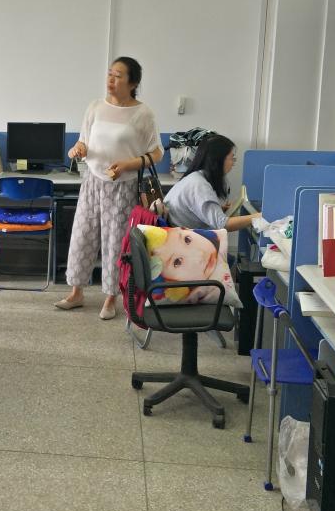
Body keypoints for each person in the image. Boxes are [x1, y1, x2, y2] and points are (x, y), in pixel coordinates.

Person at [54, 56, 164, 320]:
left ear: (133, 83)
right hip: (92, 181)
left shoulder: (143, 114)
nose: (111, 80)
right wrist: (79, 149)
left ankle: (111, 297)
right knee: (82, 235)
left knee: (115, 242)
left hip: (123, 187)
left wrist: (127, 164)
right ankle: (76, 292)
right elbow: (84, 141)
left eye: (118, 75)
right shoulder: (95, 107)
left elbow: (157, 153)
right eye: (110, 74)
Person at [162, 133, 260, 231]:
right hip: (182, 237)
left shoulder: (195, 177)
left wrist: (217, 209)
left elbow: (194, 210)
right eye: (232, 158)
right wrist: (258, 216)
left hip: (177, 233)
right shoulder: (199, 185)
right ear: (218, 160)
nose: (233, 163)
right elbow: (223, 225)